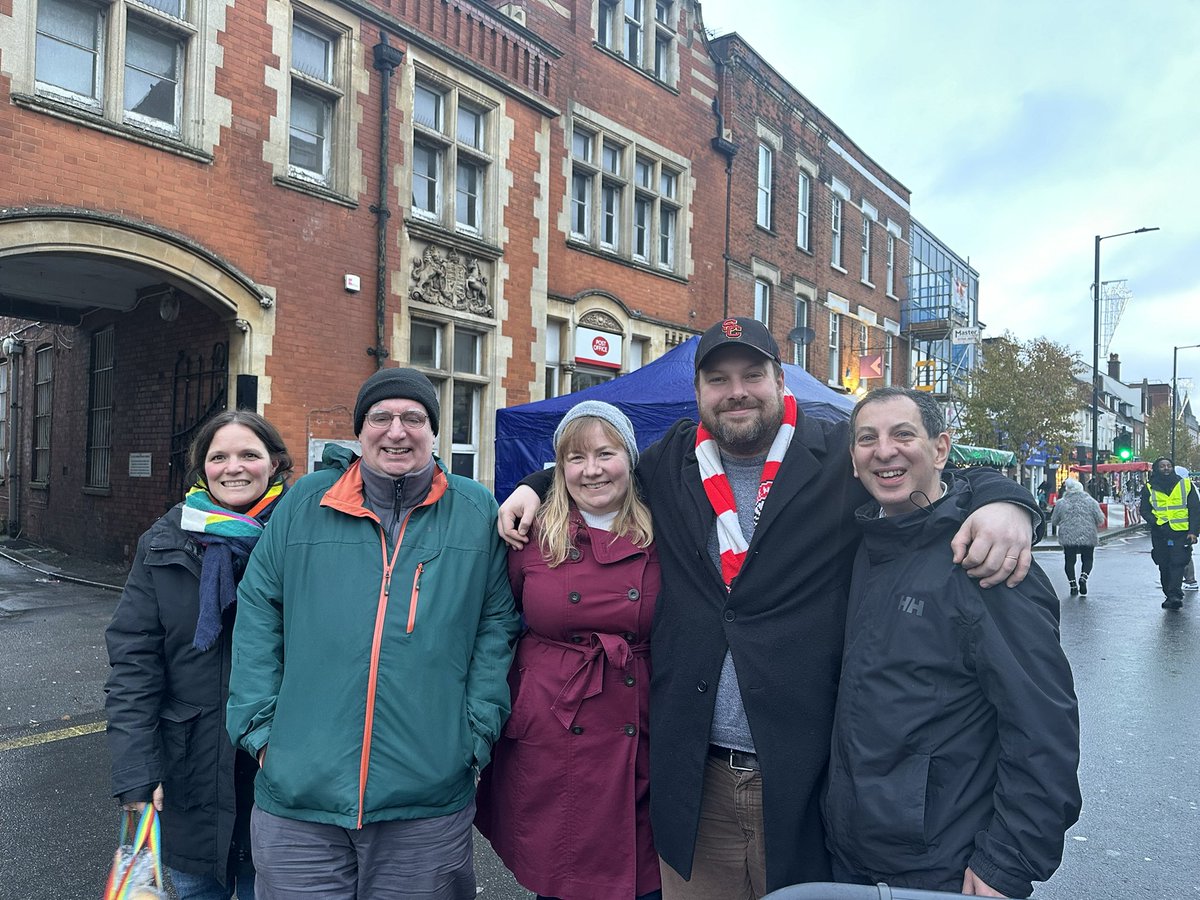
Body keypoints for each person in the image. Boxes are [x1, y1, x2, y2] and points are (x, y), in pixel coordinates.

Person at [498, 317, 1041, 897]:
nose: (736, 391)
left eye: (752, 374)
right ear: (699, 391)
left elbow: (920, 468)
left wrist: (1008, 501)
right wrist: (534, 483)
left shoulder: (838, 452)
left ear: (779, 380)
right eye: (718, 378)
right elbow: (596, 467)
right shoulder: (670, 461)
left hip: (805, 777)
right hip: (697, 780)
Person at [226, 367, 520, 899]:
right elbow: (258, 604)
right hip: (298, 796)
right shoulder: (307, 501)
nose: (396, 431)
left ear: (434, 430)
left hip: (425, 801)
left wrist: (472, 737)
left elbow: (496, 625)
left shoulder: (476, 510)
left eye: (414, 418)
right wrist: (261, 729)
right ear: (359, 431)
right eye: (381, 417)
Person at [823, 387, 1081, 898]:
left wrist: (1008, 863)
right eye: (867, 439)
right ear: (853, 461)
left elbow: (1042, 725)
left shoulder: (985, 558)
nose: (885, 451)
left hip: (943, 866)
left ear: (941, 449)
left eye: (903, 434)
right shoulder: (865, 545)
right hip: (852, 855)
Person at [476, 400, 661, 900]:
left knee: (643, 877)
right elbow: (495, 621)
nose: (592, 469)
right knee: (560, 877)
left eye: (606, 453)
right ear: (559, 466)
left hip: (639, 721)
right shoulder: (528, 534)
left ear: (631, 457)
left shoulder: (667, 523)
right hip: (553, 725)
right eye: (576, 458)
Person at [105, 409, 294, 900]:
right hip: (187, 776)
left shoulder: (306, 540)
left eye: (249, 454)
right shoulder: (164, 544)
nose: (234, 467)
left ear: (274, 463)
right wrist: (136, 775)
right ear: (202, 468)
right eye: (219, 457)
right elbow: (133, 667)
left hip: (284, 775)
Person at [1140, 456, 1199, 609]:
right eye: (1162, 466)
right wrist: (1155, 521)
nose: (1166, 468)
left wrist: (1193, 532)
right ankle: (1169, 593)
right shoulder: (1149, 487)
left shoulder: (1186, 485)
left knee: (1178, 563)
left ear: (1173, 468)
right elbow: (1144, 510)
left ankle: (1175, 595)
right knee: (1164, 564)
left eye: (1169, 466)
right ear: (1157, 469)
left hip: (1181, 532)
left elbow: (1194, 509)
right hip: (1160, 531)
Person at [1050, 477, 1105, 597]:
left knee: (1069, 560)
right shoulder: (1091, 502)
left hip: (1068, 535)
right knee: (1088, 558)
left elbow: (1054, 521)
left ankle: (1073, 585)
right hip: (1088, 534)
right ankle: (1083, 577)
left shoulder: (1061, 503)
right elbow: (1100, 519)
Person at [1176, 466, 1199, 591]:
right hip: (1183, 528)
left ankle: (1190, 580)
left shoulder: (1187, 488)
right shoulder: (1188, 487)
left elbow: (1194, 510)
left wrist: (1193, 531)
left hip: (1184, 528)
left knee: (1185, 554)